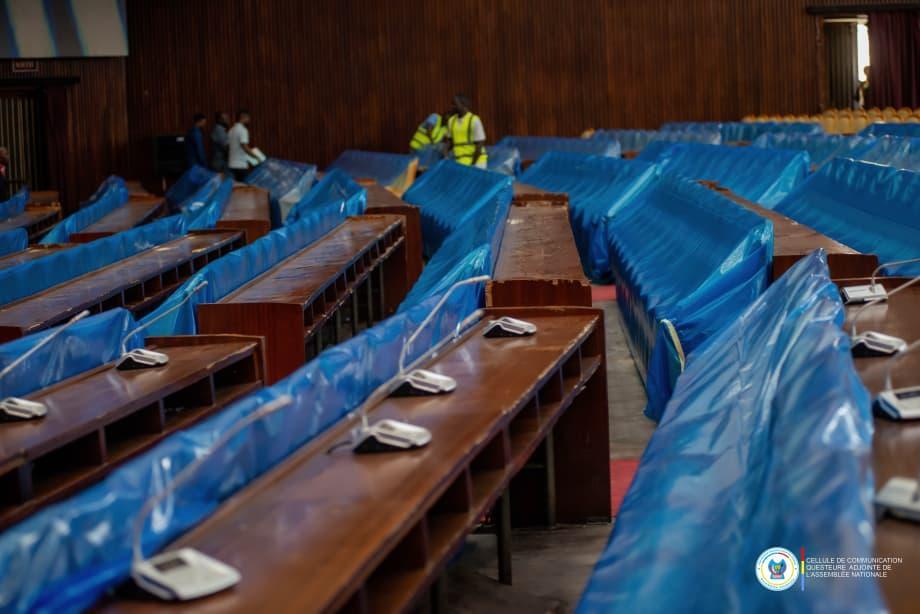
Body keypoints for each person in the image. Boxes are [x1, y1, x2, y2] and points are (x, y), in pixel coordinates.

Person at [446, 94, 487, 168]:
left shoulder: (474, 120)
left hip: (477, 162)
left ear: (463, 105)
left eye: (454, 104)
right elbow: (450, 142)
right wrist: (445, 153)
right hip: (460, 161)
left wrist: (472, 165)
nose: (452, 107)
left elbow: (479, 146)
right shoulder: (451, 121)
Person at [227, 110, 256, 181]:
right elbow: (244, 147)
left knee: (236, 188)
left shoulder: (231, 130)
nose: (249, 120)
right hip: (240, 165)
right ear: (243, 117)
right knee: (244, 187)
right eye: (248, 118)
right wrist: (256, 157)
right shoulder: (243, 130)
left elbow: (228, 146)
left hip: (231, 164)